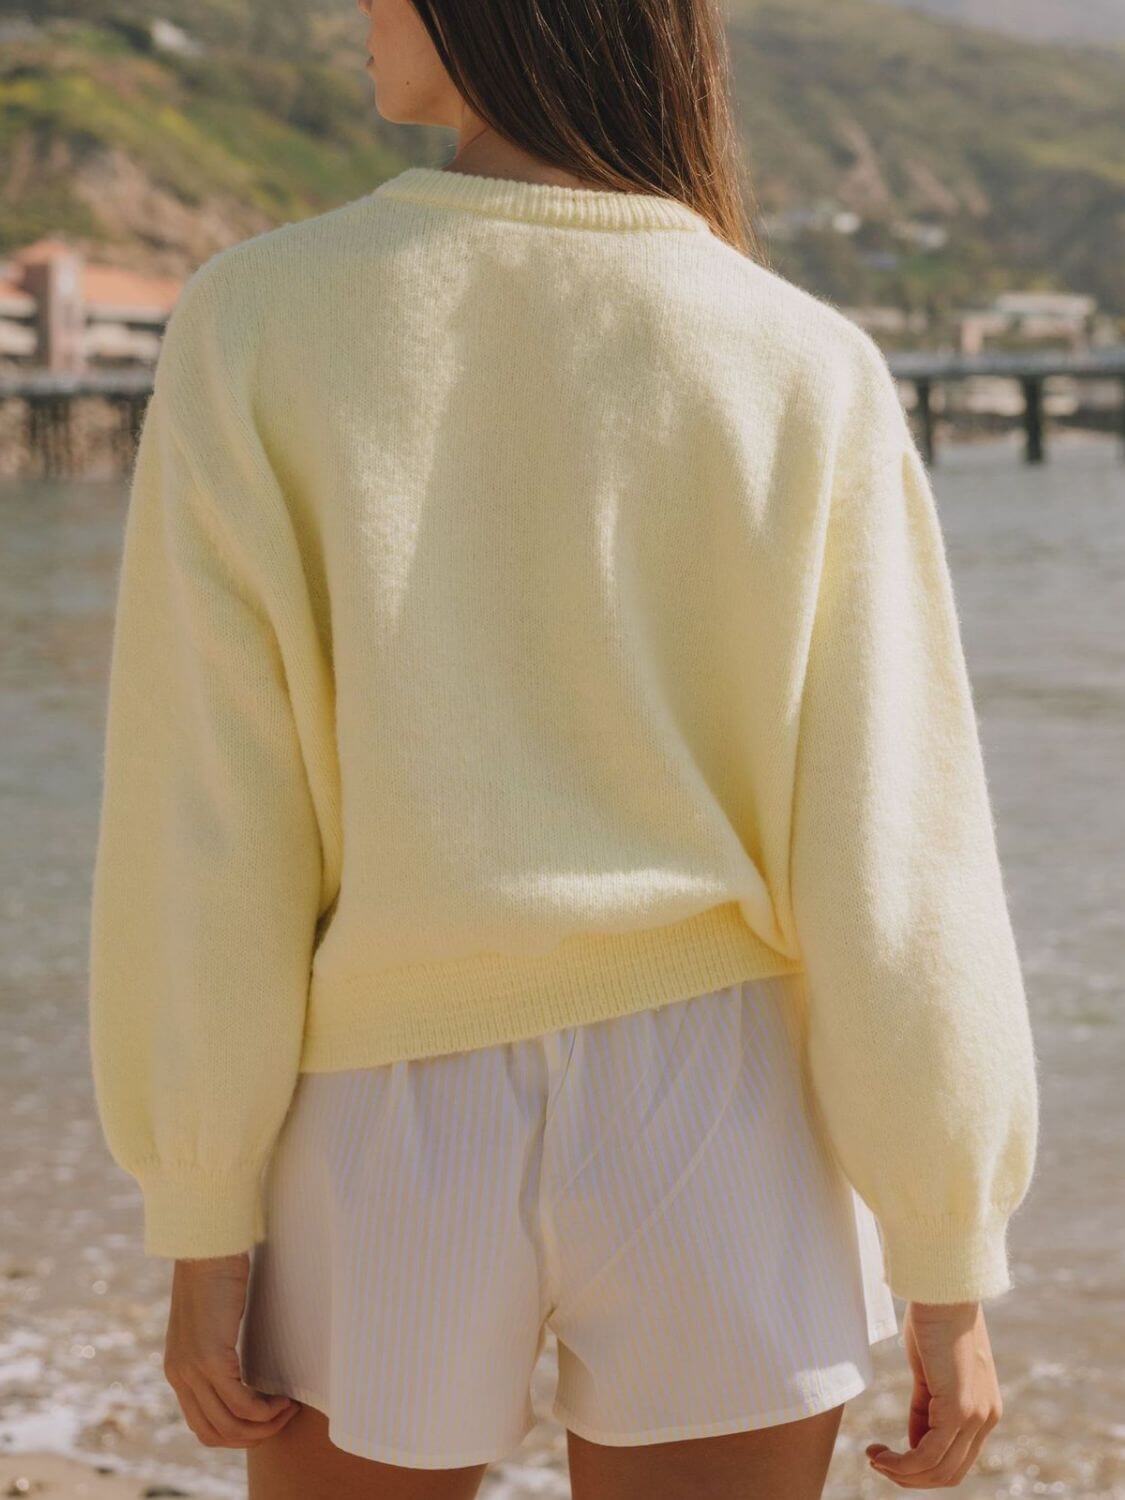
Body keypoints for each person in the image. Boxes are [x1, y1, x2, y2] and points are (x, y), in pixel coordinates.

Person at [86, 0, 1041, 1495]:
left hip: (389, 1108)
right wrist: (944, 1254)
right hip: (721, 1103)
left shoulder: (259, 318)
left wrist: (200, 1204)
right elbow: (890, 850)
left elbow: (211, 815)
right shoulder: (801, 358)